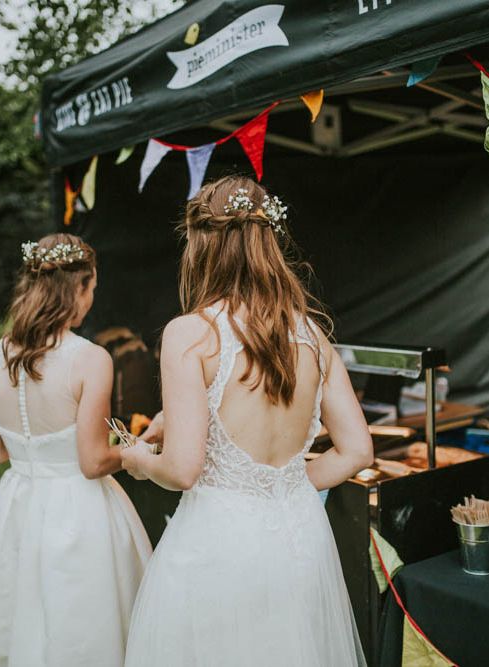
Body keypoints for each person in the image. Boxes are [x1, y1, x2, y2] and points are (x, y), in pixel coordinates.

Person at [121, 176, 372, 666]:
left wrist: (138, 460)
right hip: (301, 540)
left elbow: (182, 470)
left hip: (220, 547)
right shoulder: (312, 335)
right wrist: (283, 486)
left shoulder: (189, 333)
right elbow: (358, 450)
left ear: (201, 246)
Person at [0, 233, 152, 667]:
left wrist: (33, 450)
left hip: (17, 507)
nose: (90, 302)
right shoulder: (90, 359)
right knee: (85, 628)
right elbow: (92, 461)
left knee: (15, 622)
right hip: (79, 513)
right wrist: (133, 451)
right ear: (77, 289)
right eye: (92, 290)